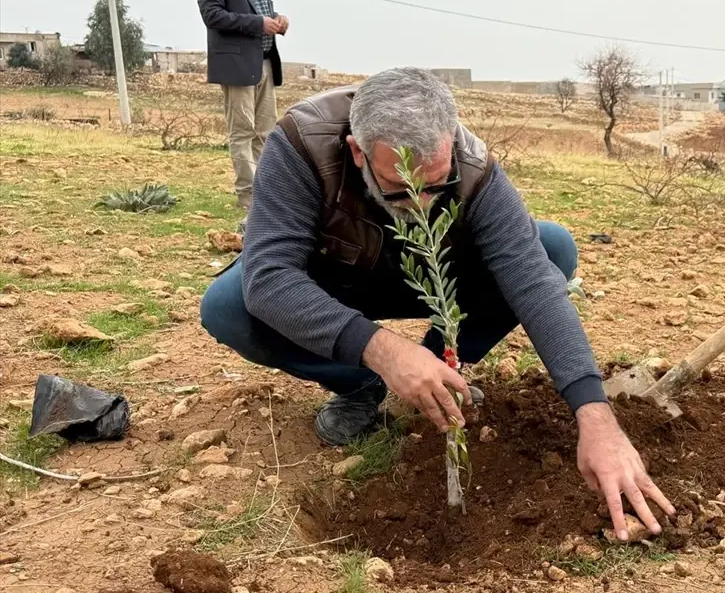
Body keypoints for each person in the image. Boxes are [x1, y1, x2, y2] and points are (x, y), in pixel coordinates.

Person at [199, 67, 674, 540]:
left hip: (431, 276)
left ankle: (440, 375)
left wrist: (595, 415)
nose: (423, 204)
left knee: (550, 249)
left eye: (436, 186)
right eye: (401, 188)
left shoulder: (472, 163)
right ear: (358, 153)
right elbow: (269, 277)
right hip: (332, 280)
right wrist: (383, 352)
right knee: (229, 304)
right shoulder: (303, 144)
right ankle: (362, 384)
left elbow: (532, 281)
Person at [194, 0, 289, 216]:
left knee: (265, 132)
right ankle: (247, 196)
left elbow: (258, 13)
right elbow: (214, 16)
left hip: (264, 63)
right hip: (237, 66)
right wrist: (259, 24)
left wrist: (276, 20)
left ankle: (266, 192)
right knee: (242, 131)